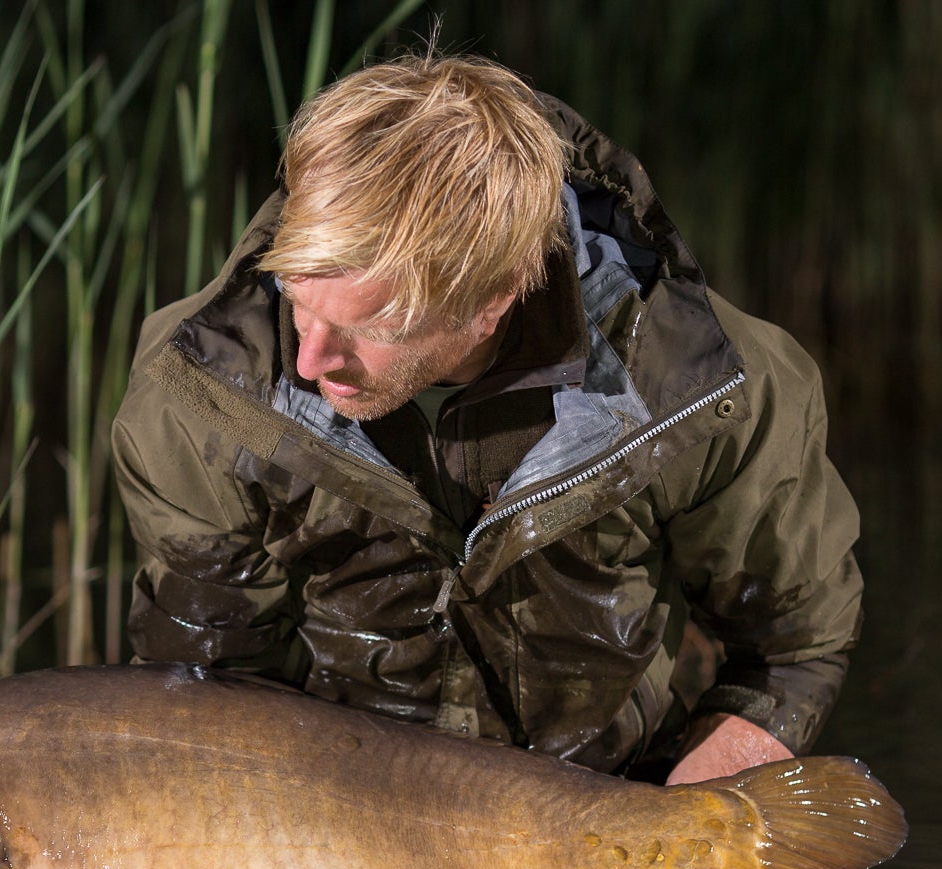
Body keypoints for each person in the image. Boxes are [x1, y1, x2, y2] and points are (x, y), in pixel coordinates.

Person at [111, 52, 862, 795]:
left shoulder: (707, 385)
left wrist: (681, 833)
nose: (308, 360)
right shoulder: (200, 393)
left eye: (373, 324)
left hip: (609, 801)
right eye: (298, 303)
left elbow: (791, 653)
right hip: (328, 817)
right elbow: (206, 691)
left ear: (494, 298)